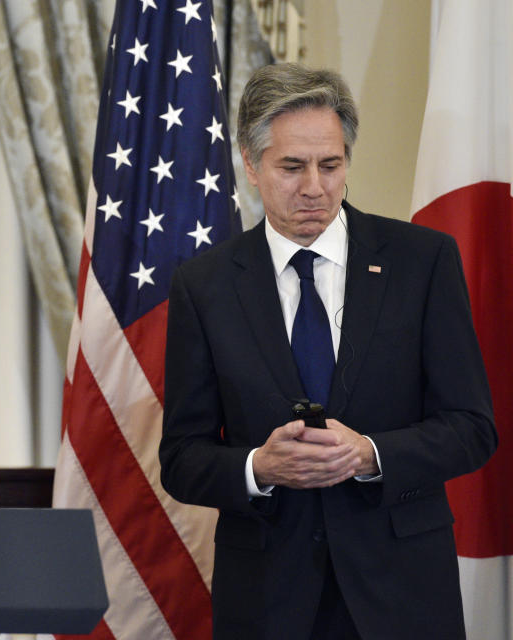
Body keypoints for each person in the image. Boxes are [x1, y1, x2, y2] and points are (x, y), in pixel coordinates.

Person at [159, 63, 496, 640]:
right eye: (292, 167)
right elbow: (182, 458)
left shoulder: (423, 262)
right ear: (251, 164)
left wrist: (368, 453)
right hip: (267, 599)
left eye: (330, 164)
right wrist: (258, 467)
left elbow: (471, 427)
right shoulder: (204, 285)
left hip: (403, 596)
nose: (314, 186)